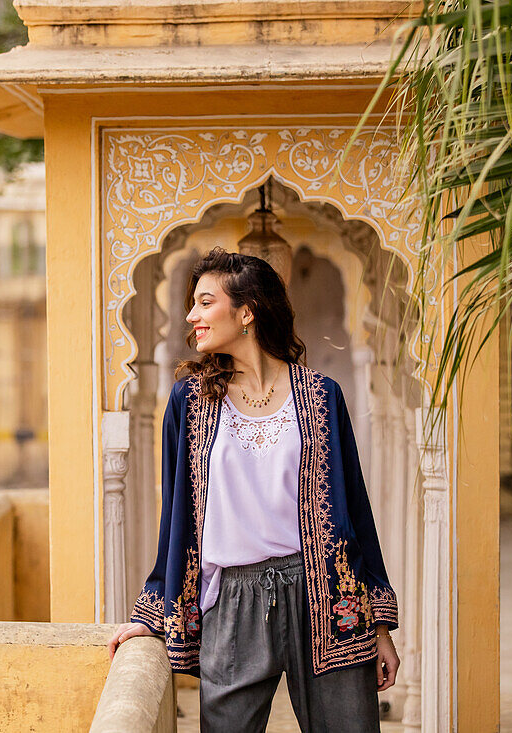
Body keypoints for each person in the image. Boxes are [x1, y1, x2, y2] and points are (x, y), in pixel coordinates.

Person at [107, 248, 400, 733]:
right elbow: (176, 518)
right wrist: (153, 607)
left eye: (204, 302)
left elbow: (355, 512)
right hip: (233, 601)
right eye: (192, 304)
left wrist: (380, 626)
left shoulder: (322, 396)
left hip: (326, 593)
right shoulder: (190, 401)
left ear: (247, 311)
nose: (191, 316)